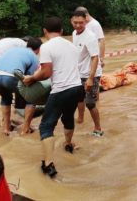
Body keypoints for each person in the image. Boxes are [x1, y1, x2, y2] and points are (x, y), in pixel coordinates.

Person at [23, 17, 83, 177]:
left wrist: (32, 78)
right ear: (62, 31)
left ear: (44, 31)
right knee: (68, 116)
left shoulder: (46, 47)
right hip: (77, 87)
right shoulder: (70, 45)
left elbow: (47, 73)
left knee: (46, 126)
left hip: (61, 89)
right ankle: (68, 145)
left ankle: (48, 164)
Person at [0, 37, 42, 135]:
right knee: (31, 99)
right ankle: (26, 128)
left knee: (5, 99)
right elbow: (28, 79)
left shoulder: (14, 49)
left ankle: (7, 128)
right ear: (39, 49)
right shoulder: (34, 57)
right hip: (10, 76)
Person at [71, 11, 103, 136]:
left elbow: (95, 57)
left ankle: (98, 128)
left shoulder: (90, 37)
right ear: (71, 21)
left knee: (90, 102)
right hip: (79, 73)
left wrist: (90, 78)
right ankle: (80, 118)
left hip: (91, 74)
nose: (78, 25)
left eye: (81, 23)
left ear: (86, 22)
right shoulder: (74, 33)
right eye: (75, 23)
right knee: (79, 98)